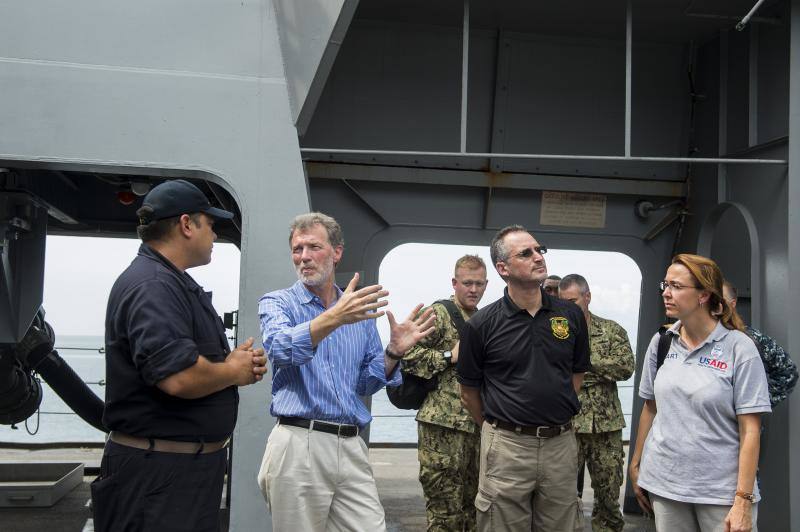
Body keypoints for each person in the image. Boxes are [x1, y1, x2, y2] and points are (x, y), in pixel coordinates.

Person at [92, 179, 268, 532]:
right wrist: (233, 371)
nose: (215, 236)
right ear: (187, 224)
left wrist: (234, 363)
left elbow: (183, 361)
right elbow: (179, 377)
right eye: (211, 225)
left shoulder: (168, 281)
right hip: (158, 478)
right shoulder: (154, 286)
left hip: (178, 473)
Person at [257, 212, 436, 532]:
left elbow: (366, 384)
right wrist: (333, 318)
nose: (304, 257)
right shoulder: (277, 302)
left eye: (314, 247)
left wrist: (393, 352)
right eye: (297, 249)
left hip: (351, 445)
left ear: (337, 252)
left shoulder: (361, 315)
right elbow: (281, 351)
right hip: (300, 442)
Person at [457, 225, 590, 532]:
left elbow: (577, 373)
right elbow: (469, 393)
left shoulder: (569, 316)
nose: (538, 257)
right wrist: (502, 430)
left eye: (539, 250)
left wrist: (551, 412)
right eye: (526, 253)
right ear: (503, 268)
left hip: (560, 445)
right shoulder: (481, 325)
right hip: (506, 447)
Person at [629, 254, 771, 532]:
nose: (666, 293)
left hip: (720, 492)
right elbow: (651, 407)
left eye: (677, 286)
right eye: (665, 285)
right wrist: (636, 465)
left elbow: (751, 430)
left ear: (704, 295)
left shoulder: (739, 347)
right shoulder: (662, 342)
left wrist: (743, 500)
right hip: (665, 485)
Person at [402, 254, 489, 531]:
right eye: (467, 283)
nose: (473, 289)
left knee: (473, 509)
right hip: (441, 427)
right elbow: (405, 355)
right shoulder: (435, 314)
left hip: (476, 425)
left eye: (479, 283)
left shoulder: (485, 320)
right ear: (455, 282)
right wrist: (448, 356)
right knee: (443, 511)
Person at [559, 274, 634, 532]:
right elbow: (549, 370)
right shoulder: (556, 333)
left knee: (609, 495)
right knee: (560, 496)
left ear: (587, 297)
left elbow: (625, 367)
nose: (568, 306)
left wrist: (584, 366)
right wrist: (599, 373)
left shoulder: (612, 330)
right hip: (568, 426)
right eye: (563, 301)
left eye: (573, 300)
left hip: (606, 427)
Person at [722, 280, 798, 407]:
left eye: (720, 300)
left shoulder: (751, 338)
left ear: (732, 304)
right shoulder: (690, 335)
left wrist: (755, 403)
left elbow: (788, 372)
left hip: (739, 423)